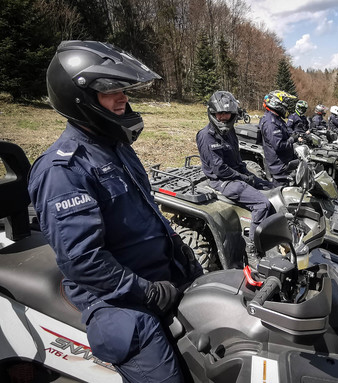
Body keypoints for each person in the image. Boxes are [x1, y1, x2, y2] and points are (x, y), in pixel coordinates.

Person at [27, 41, 202, 383]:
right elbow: (83, 260)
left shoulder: (116, 148)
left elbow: (146, 212)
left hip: (161, 274)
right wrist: (145, 292)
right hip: (116, 299)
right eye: (110, 90)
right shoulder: (63, 169)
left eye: (123, 88)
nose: (122, 97)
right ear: (78, 97)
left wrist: (181, 252)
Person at [196, 90, 274, 263]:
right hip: (222, 182)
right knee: (262, 204)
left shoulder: (230, 132)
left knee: (273, 189)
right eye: (220, 113)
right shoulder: (206, 136)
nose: (223, 117)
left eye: (227, 113)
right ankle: (253, 247)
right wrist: (244, 179)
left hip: (236, 175)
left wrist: (250, 176)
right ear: (212, 113)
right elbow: (219, 170)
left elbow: (238, 160)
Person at [259, 90, 299, 186]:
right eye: (285, 103)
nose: (286, 106)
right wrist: (292, 140)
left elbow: (285, 131)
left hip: (285, 162)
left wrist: (295, 135)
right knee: (284, 194)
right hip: (279, 167)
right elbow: (278, 145)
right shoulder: (270, 122)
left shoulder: (277, 118)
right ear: (276, 103)